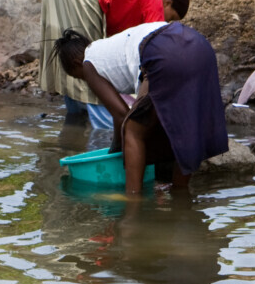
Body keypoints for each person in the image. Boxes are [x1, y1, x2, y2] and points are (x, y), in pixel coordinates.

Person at [56, 22, 228, 195]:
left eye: (79, 78)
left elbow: (121, 115)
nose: (85, 81)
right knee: (184, 125)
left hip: (163, 51)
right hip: (199, 45)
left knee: (132, 129)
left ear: (77, 64)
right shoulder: (109, 47)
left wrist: (116, 151)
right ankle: (180, 192)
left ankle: (133, 201)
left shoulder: (88, 64)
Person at [38, 0, 190, 128]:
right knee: (89, 62)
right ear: (167, 3)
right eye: (171, 18)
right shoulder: (155, 4)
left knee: (69, 51)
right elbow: (153, 63)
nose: (166, 24)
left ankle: (74, 123)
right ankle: (104, 133)